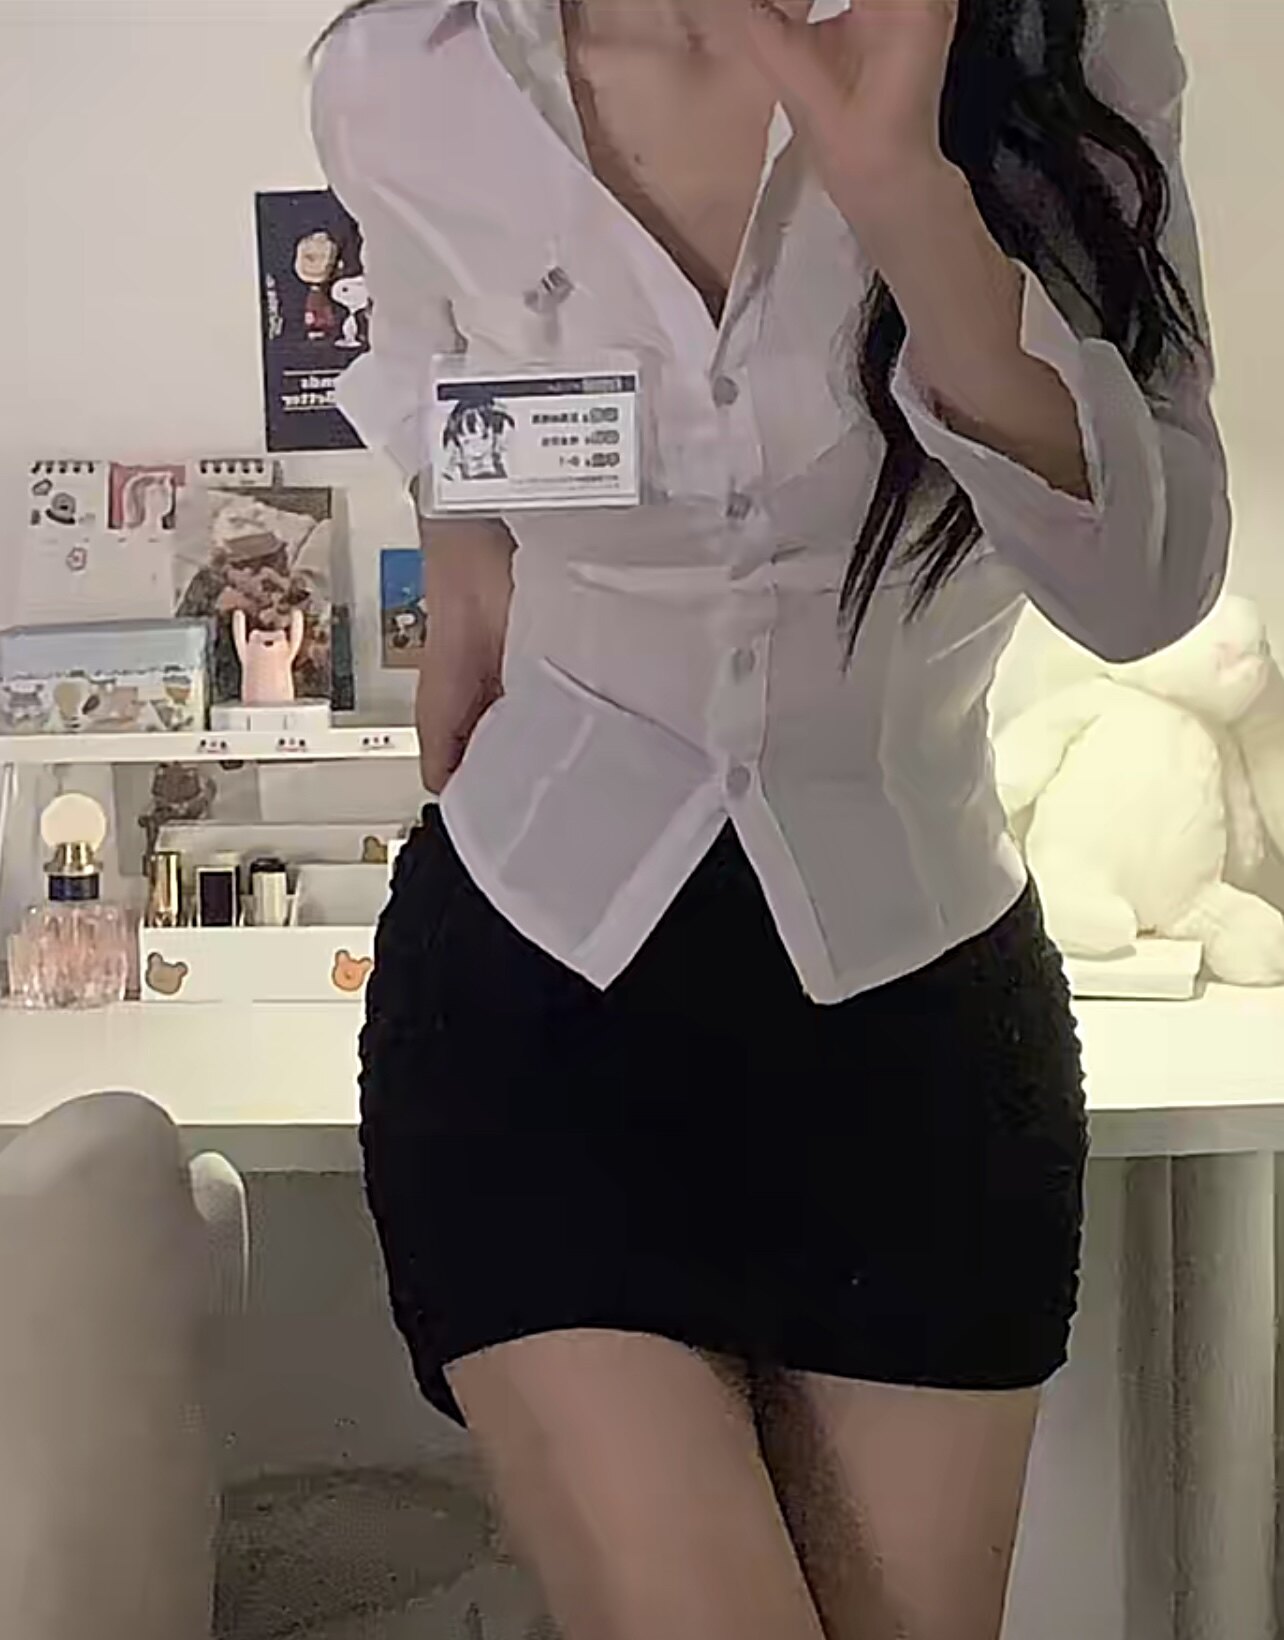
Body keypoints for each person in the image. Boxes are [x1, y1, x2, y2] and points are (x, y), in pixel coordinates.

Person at [311, 2, 1230, 1637]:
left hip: (922, 1024)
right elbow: (458, 449)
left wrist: (907, 205)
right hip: (538, 999)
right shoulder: (407, 77)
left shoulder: (1050, 40)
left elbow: (1145, 590)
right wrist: (467, 581)